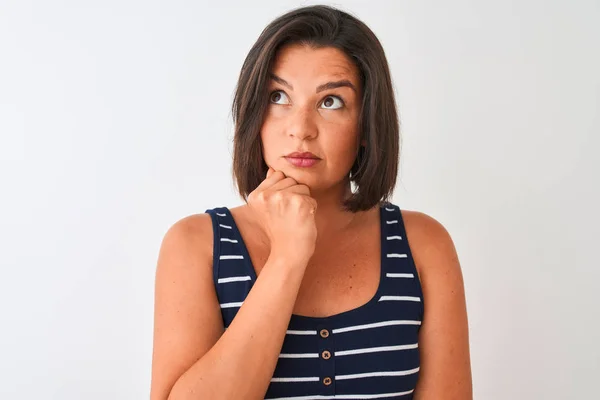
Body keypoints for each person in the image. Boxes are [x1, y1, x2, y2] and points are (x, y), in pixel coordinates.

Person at [150, 5, 472, 400]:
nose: (300, 129)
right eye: (279, 96)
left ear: (367, 124)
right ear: (254, 114)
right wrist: (287, 257)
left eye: (331, 101)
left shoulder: (424, 245)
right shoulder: (196, 245)